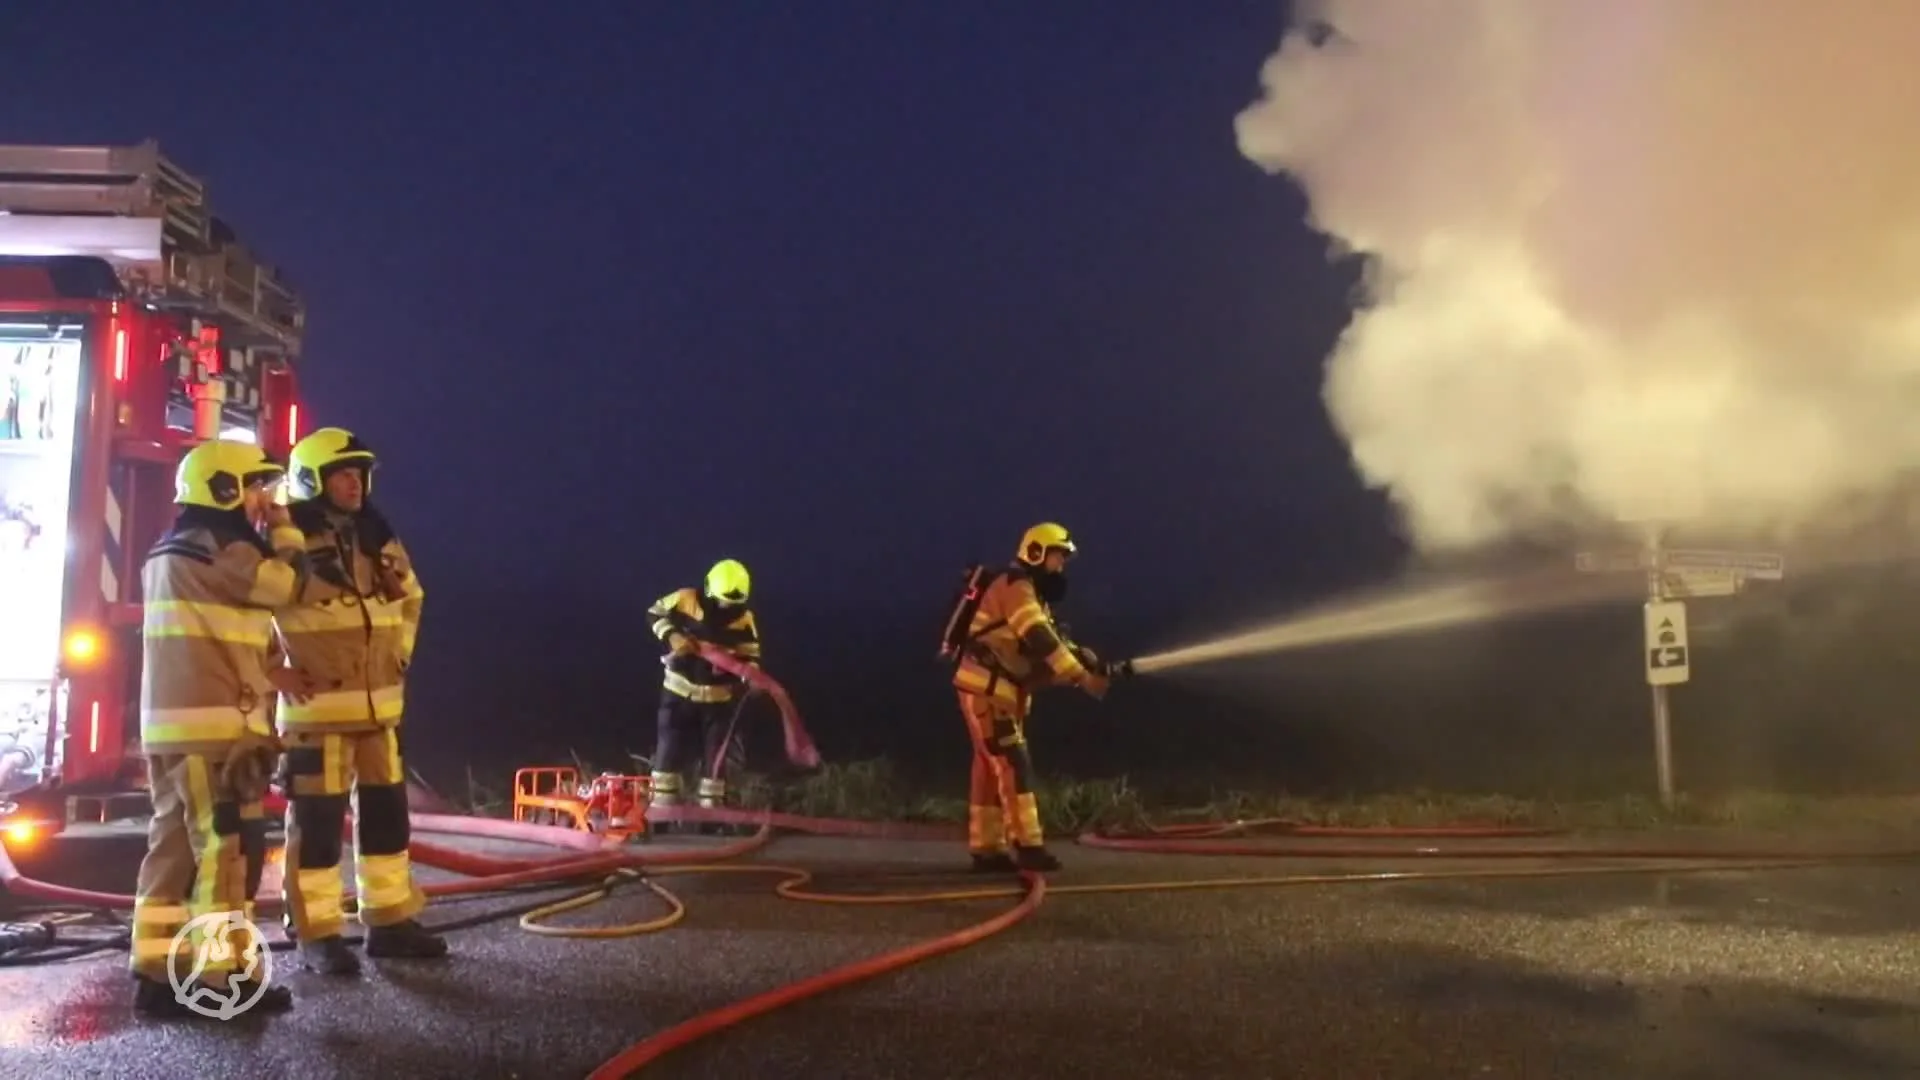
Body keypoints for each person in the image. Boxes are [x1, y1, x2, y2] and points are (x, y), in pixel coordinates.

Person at [129, 438, 306, 1018]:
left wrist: (273, 669)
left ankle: (155, 973)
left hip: (175, 729)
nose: (263, 501)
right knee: (224, 854)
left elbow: (226, 632)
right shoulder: (221, 549)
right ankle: (218, 980)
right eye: (256, 488)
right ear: (224, 488)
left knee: (172, 851)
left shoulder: (171, 549)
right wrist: (285, 527)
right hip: (214, 732)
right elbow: (287, 585)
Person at [272, 427, 444, 975]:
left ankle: (389, 921)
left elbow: (411, 597)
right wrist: (272, 671)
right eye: (343, 474)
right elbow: (248, 611)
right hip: (317, 714)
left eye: (360, 474)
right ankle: (317, 933)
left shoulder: (377, 533)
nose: (356, 483)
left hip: (380, 713)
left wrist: (399, 656)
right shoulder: (284, 538)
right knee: (318, 828)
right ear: (311, 480)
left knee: (388, 820)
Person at [950, 522, 1115, 873]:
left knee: (990, 767)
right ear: (1036, 553)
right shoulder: (1017, 587)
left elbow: (1049, 641)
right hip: (989, 691)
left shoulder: (1027, 592)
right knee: (1014, 764)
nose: (1061, 566)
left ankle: (986, 848)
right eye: (1058, 557)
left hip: (991, 690)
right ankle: (1028, 846)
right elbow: (1038, 637)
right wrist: (1082, 677)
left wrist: (1084, 658)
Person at [644, 558, 762, 815]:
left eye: (732, 604)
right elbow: (654, 612)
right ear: (709, 590)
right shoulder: (685, 599)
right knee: (669, 751)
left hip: (718, 701)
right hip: (679, 692)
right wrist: (672, 636)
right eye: (721, 601)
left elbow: (750, 653)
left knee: (716, 759)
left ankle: (712, 814)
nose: (725, 608)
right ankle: (663, 810)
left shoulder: (744, 619)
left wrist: (750, 677)